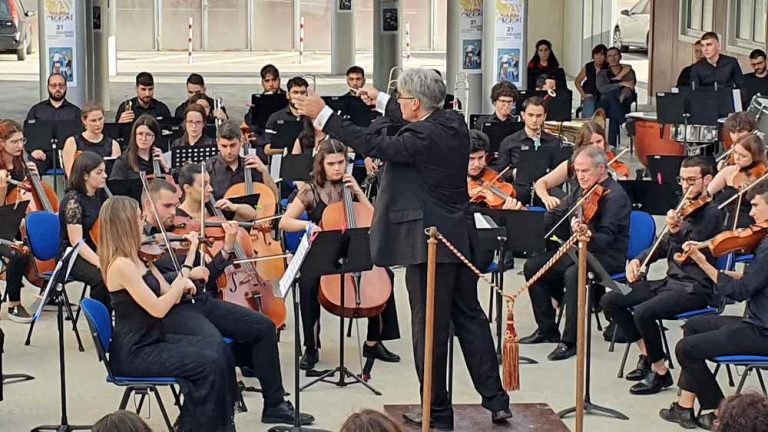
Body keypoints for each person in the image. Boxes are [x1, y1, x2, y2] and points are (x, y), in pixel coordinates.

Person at [294, 68, 512, 429]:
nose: (399, 104)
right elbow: (404, 115)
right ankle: (496, 400)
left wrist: (323, 113)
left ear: (414, 103)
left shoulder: (420, 136)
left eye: (402, 99)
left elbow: (375, 145)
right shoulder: (453, 121)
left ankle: (436, 412)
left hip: (429, 244)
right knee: (470, 318)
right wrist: (379, 99)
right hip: (459, 237)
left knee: (429, 330)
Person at [142, 177, 315, 426]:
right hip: (174, 313)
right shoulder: (143, 241)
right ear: (148, 205)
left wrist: (225, 250)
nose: (173, 212)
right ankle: (209, 416)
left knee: (264, 327)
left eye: (175, 205)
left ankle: (275, 404)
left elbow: (208, 277)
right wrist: (187, 270)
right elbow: (156, 283)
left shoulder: (176, 235)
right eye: (167, 206)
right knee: (217, 350)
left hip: (199, 302)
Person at [98, 196, 237, 432]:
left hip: (152, 340)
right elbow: (159, 308)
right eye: (139, 218)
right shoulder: (121, 265)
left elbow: (165, 288)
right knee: (208, 364)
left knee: (218, 349)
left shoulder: (138, 256)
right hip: (134, 352)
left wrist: (185, 274)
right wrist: (181, 284)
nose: (143, 222)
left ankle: (217, 425)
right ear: (124, 224)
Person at [601, 156, 722, 395]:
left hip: (695, 288)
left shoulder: (713, 215)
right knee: (611, 300)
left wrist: (676, 232)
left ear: (707, 180)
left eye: (691, 180)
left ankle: (660, 372)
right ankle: (648, 354)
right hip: (670, 282)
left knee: (645, 312)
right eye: (682, 180)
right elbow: (663, 243)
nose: (685, 186)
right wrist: (639, 260)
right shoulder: (683, 207)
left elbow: (687, 251)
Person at [279, 139, 400, 369]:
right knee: (308, 283)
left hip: (353, 247)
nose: (337, 168)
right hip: (323, 250)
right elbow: (285, 222)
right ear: (321, 164)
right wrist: (307, 226)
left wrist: (359, 193)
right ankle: (311, 346)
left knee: (385, 276)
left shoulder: (350, 186)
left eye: (341, 163)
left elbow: (375, 219)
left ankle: (374, 341)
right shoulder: (310, 189)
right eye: (331, 163)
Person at [659, 182, 768, 430]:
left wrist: (703, 263)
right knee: (694, 326)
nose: (750, 213)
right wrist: (736, 275)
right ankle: (685, 408)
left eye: (756, 206)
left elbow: (739, 293)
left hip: (763, 330)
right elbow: (756, 281)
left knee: (686, 349)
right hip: (757, 321)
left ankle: (721, 412)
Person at [521, 146, 631, 361]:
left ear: (601, 169)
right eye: (577, 171)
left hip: (607, 255)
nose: (580, 176)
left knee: (574, 274)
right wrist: (528, 221)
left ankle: (570, 340)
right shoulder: (581, 191)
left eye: (585, 171)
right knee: (533, 267)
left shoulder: (615, 196)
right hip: (580, 250)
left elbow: (606, 239)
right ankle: (547, 328)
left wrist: (588, 233)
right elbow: (557, 213)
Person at [534, 121, 628, 210]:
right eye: (590, 143)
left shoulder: (612, 163)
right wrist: (546, 197)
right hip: (578, 213)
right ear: (581, 145)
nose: (595, 147)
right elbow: (541, 183)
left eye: (599, 141)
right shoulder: (572, 164)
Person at [59, 152, 110, 311]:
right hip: (73, 255)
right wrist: (101, 262)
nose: (105, 176)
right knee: (103, 278)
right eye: (99, 172)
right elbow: (77, 242)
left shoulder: (99, 194)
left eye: (104, 171)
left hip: (94, 247)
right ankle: (101, 320)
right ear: (85, 175)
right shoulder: (73, 201)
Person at [0, 120, 38, 322]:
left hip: (16, 220)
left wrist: (33, 176)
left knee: (41, 242)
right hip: (2, 226)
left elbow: (27, 194)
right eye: (14, 142)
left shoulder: (20, 163)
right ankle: (14, 304)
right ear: (2, 143)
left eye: (21, 140)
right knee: (18, 254)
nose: (19, 146)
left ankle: (50, 291)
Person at [496, 96, 563, 203]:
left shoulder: (554, 142)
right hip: (519, 187)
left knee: (561, 201)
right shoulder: (509, 142)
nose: (534, 120)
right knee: (505, 199)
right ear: (523, 115)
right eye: (530, 115)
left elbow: (561, 173)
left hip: (546, 188)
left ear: (545, 116)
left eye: (539, 116)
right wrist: (514, 172)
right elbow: (499, 175)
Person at [205, 120, 278, 213]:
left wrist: (264, 171)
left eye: (233, 145)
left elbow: (274, 199)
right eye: (224, 146)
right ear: (217, 143)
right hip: (220, 222)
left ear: (241, 142)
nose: (229, 151)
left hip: (254, 221)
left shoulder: (252, 166)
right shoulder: (208, 168)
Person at [25, 73, 82, 173]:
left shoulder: (75, 111)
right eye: (53, 85)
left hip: (68, 154)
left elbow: (82, 135)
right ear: (48, 87)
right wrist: (33, 150)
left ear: (66, 87)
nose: (57, 88)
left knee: (81, 167)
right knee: (32, 167)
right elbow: (27, 134)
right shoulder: (36, 110)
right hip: (43, 154)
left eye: (61, 85)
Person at [707, 134, 767, 228]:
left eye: (743, 156)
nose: (737, 158)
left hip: (748, 224)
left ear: (755, 156)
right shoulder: (728, 171)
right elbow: (708, 192)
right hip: (720, 222)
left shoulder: (762, 175)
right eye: (735, 152)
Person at [467, 130, 523, 210]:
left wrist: (504, 212)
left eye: (480, 158)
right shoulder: (449, 180)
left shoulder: (492, 175)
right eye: (471, 159)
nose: (476, 164)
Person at [62, 102, 121, 178]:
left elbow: (116, 175)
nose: (98, 124)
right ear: (84, 121)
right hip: (81, 186)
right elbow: (71, 174)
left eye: (100, 119)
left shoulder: (113, 144)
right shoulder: (72, 142)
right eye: (93, 121)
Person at [597, 47, 636, 147]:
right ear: (606, 59)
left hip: (623, 102)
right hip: (605, 104)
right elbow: (602, 89)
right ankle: (624, 123)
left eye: (615, 55)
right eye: (609, 56)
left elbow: (630, 86)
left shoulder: (628, 71)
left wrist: (621, 96)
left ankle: (612, 145)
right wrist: (620, 84)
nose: (613, 58)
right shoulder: (602, 73)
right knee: (609, 97)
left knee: (613, 109)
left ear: (620, 56)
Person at [110, 115, 169, 180]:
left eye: (148, 134)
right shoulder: (123, 162)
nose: (143, 138)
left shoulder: (158, 159)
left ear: (154, 137)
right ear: (134, 135)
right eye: (140, 134)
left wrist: (165, 166)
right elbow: (115, 186)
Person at [263, 76, 308, 156]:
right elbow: (267, 149)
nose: (299, 96)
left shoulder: (313, 117)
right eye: (295, 92)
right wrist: (294, 147)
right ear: (288, 95)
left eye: (302, 92)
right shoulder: (275, 118)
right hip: (283, 163)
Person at [575, 44, 608, 118]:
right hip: (589, 93)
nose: (599, 57)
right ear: (593, 55)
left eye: (602, 55)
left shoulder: (608, 67)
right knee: (588, 107)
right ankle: (587, 126)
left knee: (602, 107)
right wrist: (583, 94)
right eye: (597, 54)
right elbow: (577, 81)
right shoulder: (588, 66)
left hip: (603, 95)